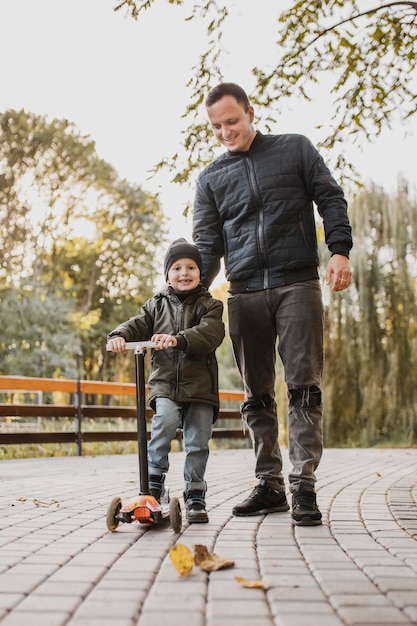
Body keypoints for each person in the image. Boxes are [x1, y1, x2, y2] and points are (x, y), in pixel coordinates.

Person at [192, 82, 353, 526]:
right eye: (217, 126)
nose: (225, 131)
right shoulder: (210, 178)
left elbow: (330, 197)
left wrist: (339, 249)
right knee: (256, 395)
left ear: (250, 113)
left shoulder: (295, 149)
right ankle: (269, 484)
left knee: (303, 387)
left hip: (297, 284)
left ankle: (303, 486)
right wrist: (189, 296)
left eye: (232, 121)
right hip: (243, 292)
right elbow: (207, 246)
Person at [107, 238, 225, 524]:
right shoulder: (155, 306)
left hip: (200, 388)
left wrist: (178, 339)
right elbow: (137, 324)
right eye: (176, 268)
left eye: (191, 267)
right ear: (167, 274)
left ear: (200, 273)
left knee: (198, 442)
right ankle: (154, 483)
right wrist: (119, 335)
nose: (184, 273)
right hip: (165, 384)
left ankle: (195, 494)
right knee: (164, 424)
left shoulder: (210, 306)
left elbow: (211, 333)